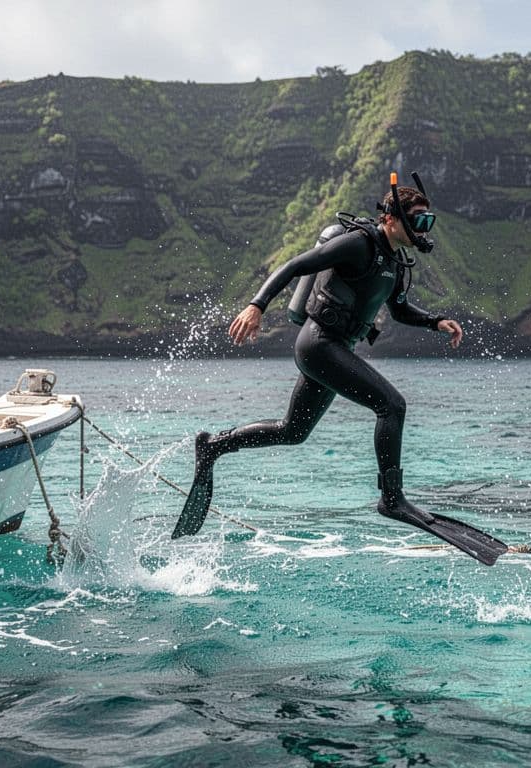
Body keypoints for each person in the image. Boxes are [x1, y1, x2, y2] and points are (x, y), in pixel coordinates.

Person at [172, 175, 508, 565]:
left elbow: (398, 308)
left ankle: (214, 446)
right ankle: (392, 498)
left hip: (336, 348)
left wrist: (435, 321)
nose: (423, 230)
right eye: (417, 221)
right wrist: (256, 305)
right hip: (319, 344)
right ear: (391, 219)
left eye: (427, 222)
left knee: (291, 432)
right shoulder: (359, 244)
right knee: (392, 406)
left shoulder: (396, 263)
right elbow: (297, 265)